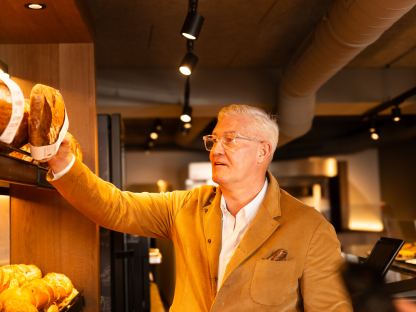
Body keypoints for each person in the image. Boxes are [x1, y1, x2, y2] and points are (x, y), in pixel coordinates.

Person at [48, 104, 352, 311]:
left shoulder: (309, 227)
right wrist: (64, 165)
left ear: (263, 151)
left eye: (231, 140)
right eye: (214, 139)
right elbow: (116, 207)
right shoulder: (187, 206)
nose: (216, 150)